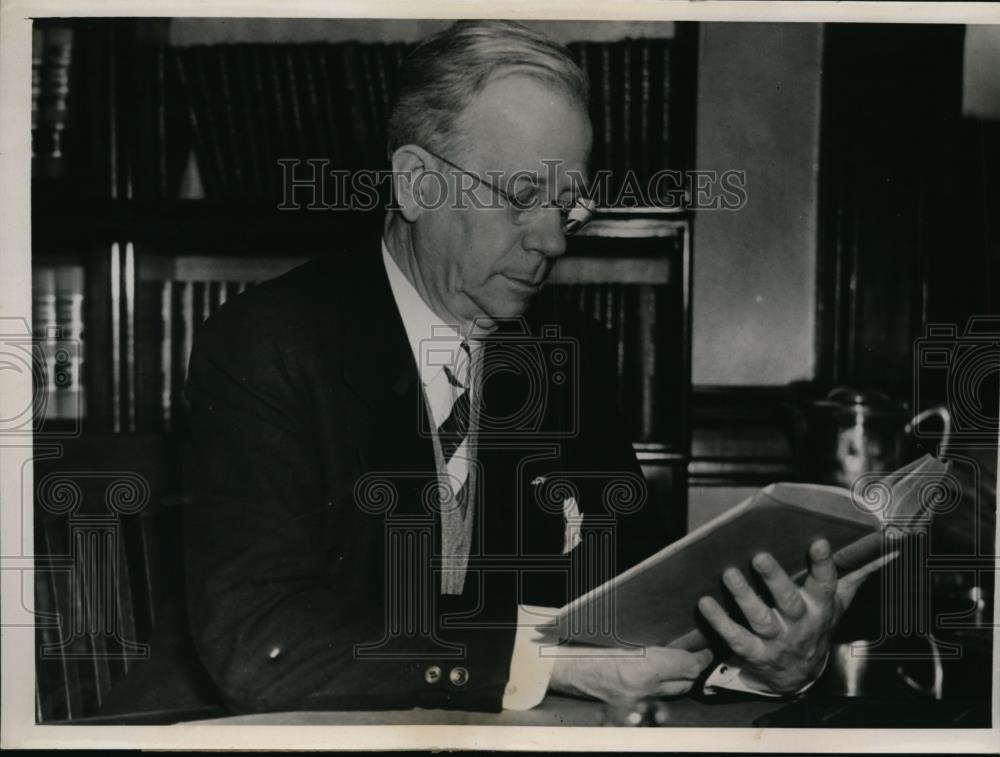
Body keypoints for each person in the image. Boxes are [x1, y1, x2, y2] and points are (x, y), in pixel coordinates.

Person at [180, 20, 883, 715]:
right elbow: (260, 642)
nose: (552, 240)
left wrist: (769, 660)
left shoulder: (563, 353)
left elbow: (643, 604)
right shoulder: (267, 345)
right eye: (521, 197)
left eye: (567, 206)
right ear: (417, 184)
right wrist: (544, 662)